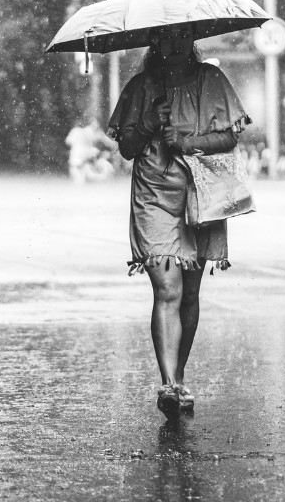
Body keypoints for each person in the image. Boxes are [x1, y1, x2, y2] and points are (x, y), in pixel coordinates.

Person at [106, 23, 249, 416]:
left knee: (189, 293)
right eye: (167, 37)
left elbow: (229, 137)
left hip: (201, 194)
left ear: (193, 40)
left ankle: (179, 377)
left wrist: (187, 143)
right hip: (153, 195)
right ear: (156, 41)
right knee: (167, 288)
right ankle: (168, 383)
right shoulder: (142, 87)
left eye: (183, 36)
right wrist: (148, 123)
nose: (176, 44)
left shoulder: (211, 80)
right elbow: (127, 148)